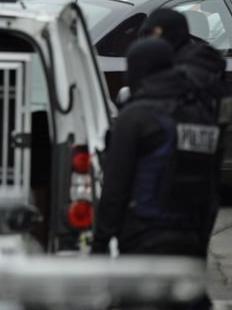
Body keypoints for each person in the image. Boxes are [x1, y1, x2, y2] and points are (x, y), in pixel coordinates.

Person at [92, 38, 221, 258]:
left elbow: (115, 190)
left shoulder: (135, 117)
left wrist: (100, 245)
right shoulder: (202, 115)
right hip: (189, 242)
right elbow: (211, 190)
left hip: (143, 240)